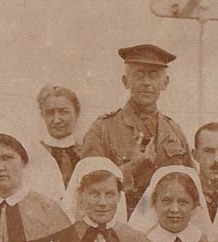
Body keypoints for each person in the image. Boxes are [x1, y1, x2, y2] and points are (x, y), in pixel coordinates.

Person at [81, 44, 192, 214]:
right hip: (121, 221)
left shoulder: (174, 131)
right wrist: (132, 167)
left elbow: (190, 184)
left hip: (166, 222)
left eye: (153, 76)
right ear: (126, 81)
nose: (146, 83)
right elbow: (89, 187)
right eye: (139, 75)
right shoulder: (102, 129)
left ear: (165, 83)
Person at [128, 165, 211, 242]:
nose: (175, 210)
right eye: (167, 201)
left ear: (194, 207)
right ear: (154, 204)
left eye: (183, 202)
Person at [38, 85, 82, 186]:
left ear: (77, 112)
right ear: (42, 115)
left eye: (64, 112)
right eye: (49, 113)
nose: (56, 120)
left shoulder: (85, 153)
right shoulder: (35, 153)